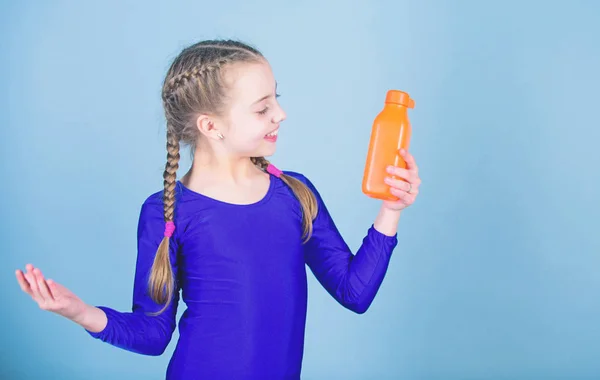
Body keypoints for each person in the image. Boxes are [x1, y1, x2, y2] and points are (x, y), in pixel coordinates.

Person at [15, 39, 421, 379]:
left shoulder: (295, 195)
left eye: (276, 99)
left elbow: (355, 291)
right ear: (211, 126)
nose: (280, 114)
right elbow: (154, 333)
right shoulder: (166, 213)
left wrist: (391, 208)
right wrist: (82, 312)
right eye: (262, 108)